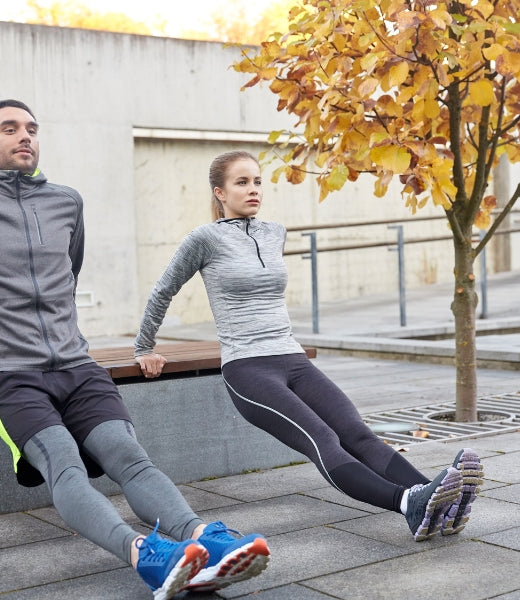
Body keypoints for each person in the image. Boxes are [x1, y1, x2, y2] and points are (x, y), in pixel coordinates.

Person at [0, 102, 270, 600]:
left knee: (130, 457)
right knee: (64, 464)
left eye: (31, 129)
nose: (24, 136)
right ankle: (148, 555)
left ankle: (204, 541)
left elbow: (67, 277)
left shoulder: (67, 201)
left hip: (76, 364)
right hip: (8, 373)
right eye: (10, 129)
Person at [134, 150, 484, 542]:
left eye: (258, 181)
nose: (254, 190)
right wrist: (144, 347)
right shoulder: (203, 239)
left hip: (292, 359)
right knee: (324, 440)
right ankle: (408, 503)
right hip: (248, 369)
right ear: (220, 192)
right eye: (242, 182)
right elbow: (163, 290)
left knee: (357, 433)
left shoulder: (273, 232)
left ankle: (441, 500)